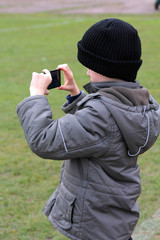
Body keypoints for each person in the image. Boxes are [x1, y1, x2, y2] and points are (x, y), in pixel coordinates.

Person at [17, 18, 160, 240]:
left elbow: (43, 140)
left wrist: (36, 96)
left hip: (93, 224)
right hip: (113, 218)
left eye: (90, 67)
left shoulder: (100, 116)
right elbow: (103, 128)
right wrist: (77, 96)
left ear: (104, 68)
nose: (87, 73)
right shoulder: (142, 102)